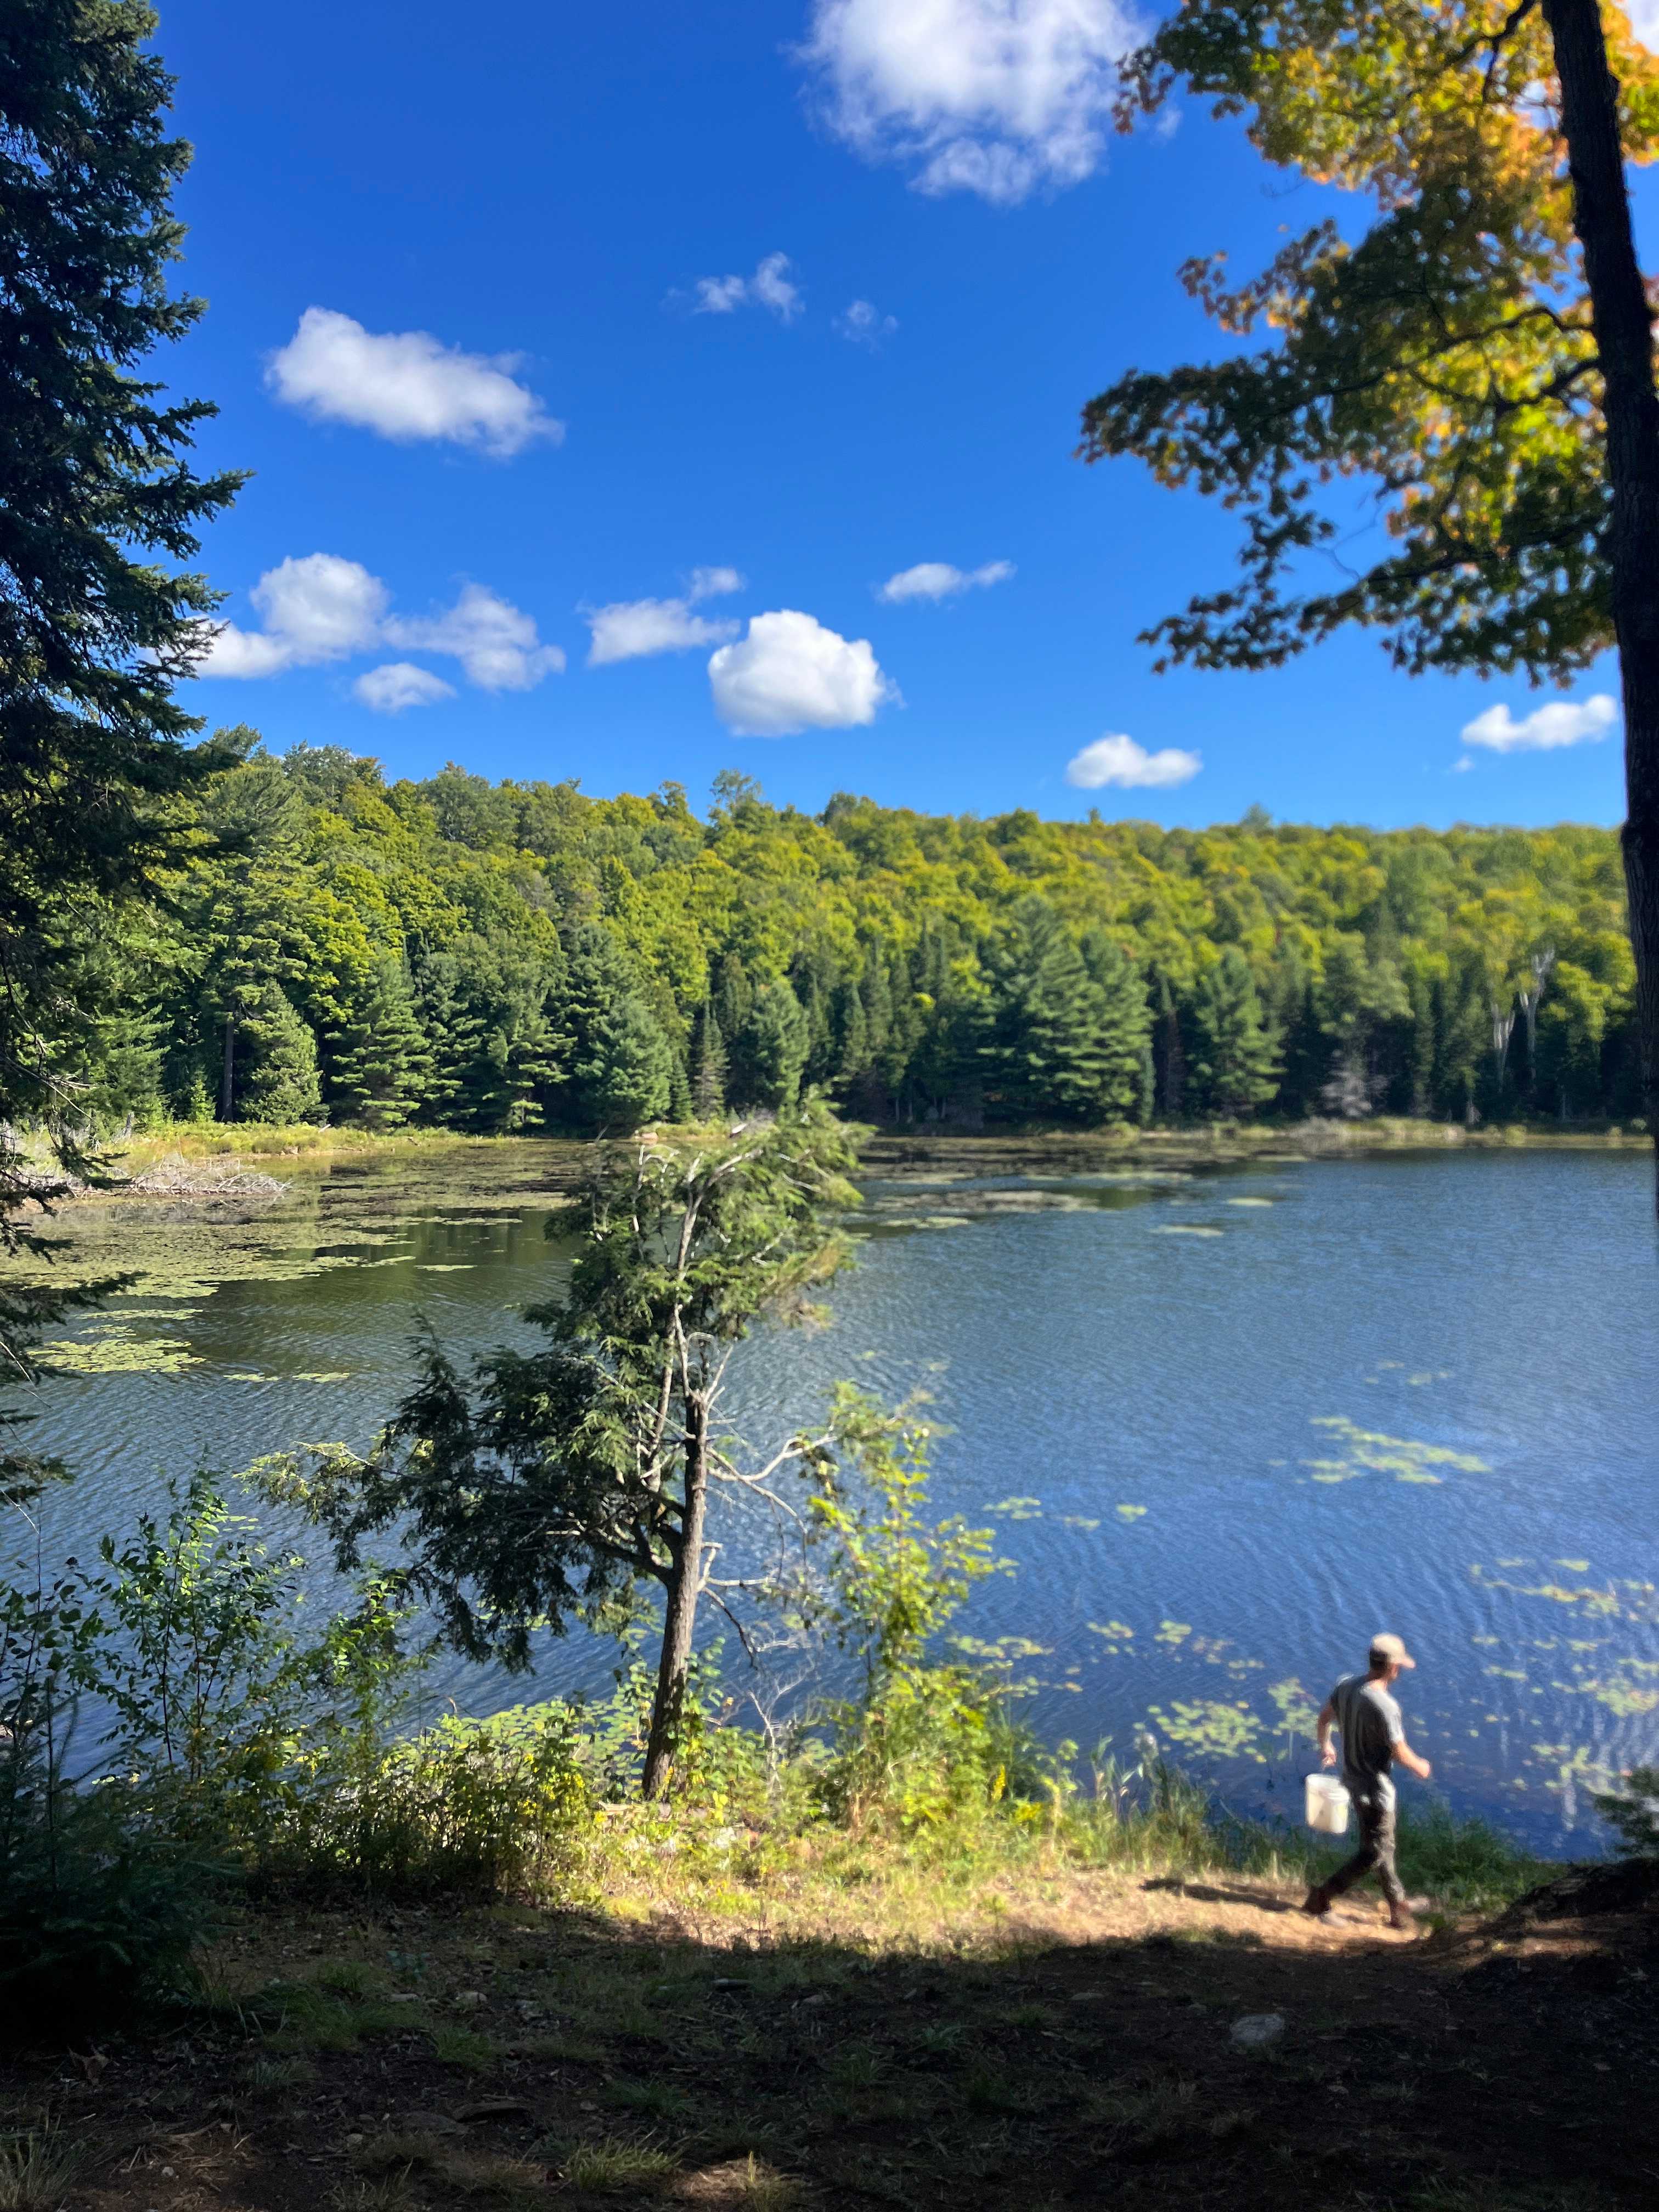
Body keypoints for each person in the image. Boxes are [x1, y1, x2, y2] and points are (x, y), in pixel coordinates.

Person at [1301, 1633, 1431, 1932]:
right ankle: (1320, 1899)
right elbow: (1399, 1750)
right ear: (1393, 1668)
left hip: (1352, 1782)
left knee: (1383, 1846)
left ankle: (1399, 1909)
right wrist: (1419, 1766)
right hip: (1375, 1790)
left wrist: (1326, 1746)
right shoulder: (1386, 1706)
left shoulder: (1346, 1686)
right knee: (1374, 1853)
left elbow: (1323, 1719)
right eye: (1399, 1666)